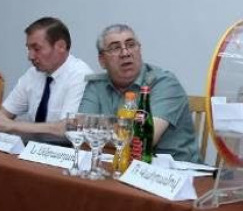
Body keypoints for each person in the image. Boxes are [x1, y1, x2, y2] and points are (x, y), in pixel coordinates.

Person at [78, 24, 200, 162]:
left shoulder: (164, 83)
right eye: (115, 48)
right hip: (116, 163)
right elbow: (81, 128)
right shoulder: (96, 85)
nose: (125, 53)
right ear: (102, 61)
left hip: (173, 169)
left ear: (139, 50)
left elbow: (144, 138)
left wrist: (98, 128)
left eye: (131, 45)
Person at [0, 17, 92, 136]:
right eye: (28, 49)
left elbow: (67, 128)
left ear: (61, 46)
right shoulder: (33, 73)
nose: (30, 56)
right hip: (31, 145)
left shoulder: (81, 75)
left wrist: (13, 125)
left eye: (37, 49)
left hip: (63, 147)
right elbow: (5, 114)